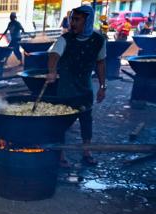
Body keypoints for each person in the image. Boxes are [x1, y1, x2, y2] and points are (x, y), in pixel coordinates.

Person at [47, 5, 106, 167]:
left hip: (85, 89)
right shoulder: (65, 39)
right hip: (66, 89)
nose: (72, 23)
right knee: (61, 123)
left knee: (86, 120)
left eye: (77, 19)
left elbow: (101, 63)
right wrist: (52, 71)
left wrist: (102, 86)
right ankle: (61, 155)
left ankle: (87, 151)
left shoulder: (98, 40)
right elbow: (54, 55)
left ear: (87, 21)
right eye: (72, 18)